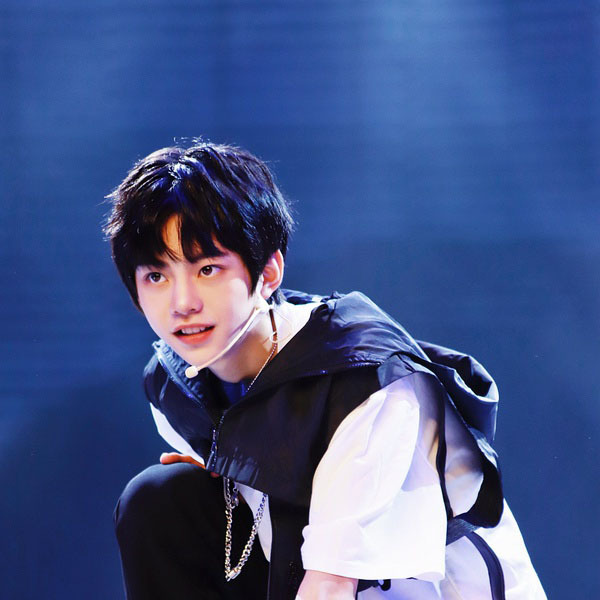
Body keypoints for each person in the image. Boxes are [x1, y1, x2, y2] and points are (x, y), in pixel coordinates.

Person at [104, 141, 546, 600]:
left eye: (208, 269)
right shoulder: (176, 383)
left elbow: (330, 584)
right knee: (161, 499)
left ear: (268, 272)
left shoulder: (363, 379)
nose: (182, 303)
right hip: (296, 571)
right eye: (156, 276)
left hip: (425, 591)